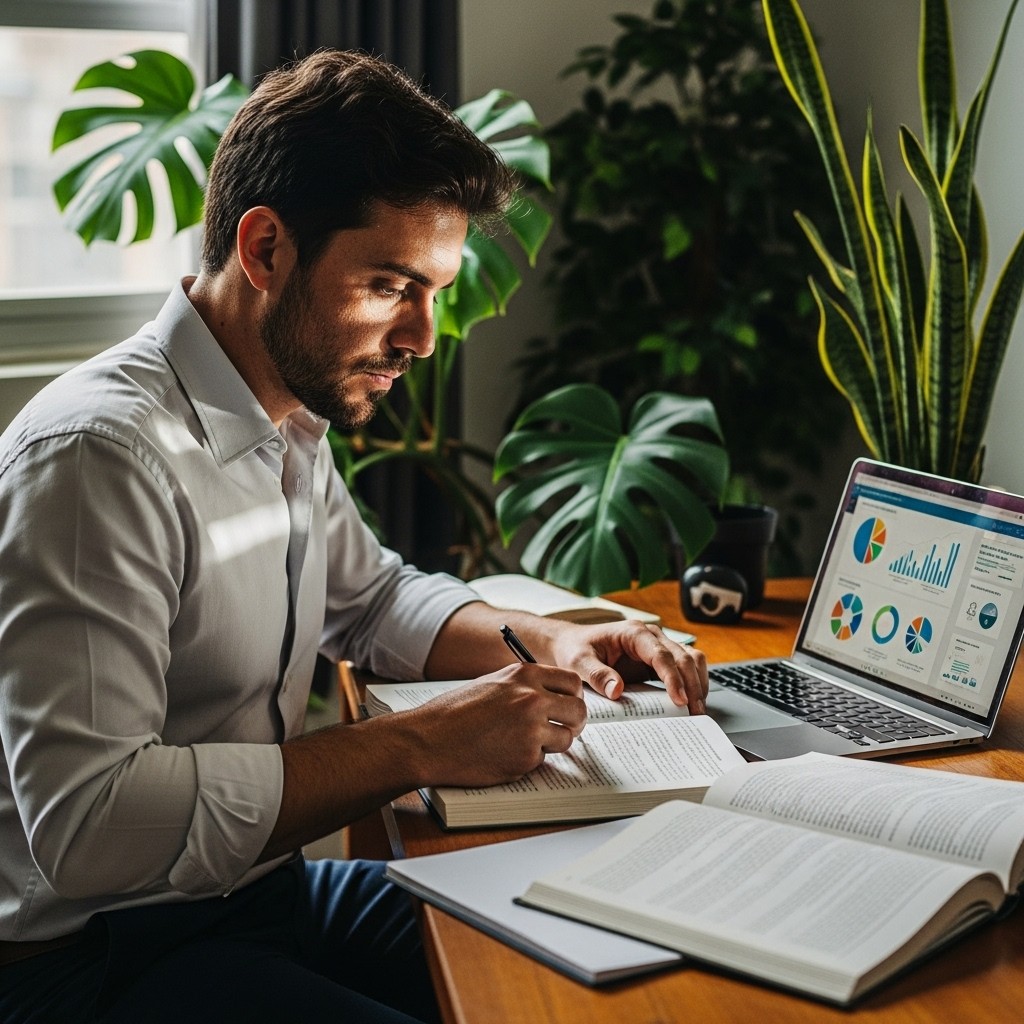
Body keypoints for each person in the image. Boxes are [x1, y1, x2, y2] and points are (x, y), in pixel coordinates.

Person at [0, 49, 708, 1023]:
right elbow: (91, 824)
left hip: (254, 898)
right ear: (264, 250)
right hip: (94, 959)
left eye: (434, 291)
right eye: (390, 284)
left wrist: (555, 638)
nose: (421, 336)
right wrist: (413, 743)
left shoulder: (284, 411)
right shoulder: (98, 456)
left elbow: (371, 597)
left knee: (592, 967)